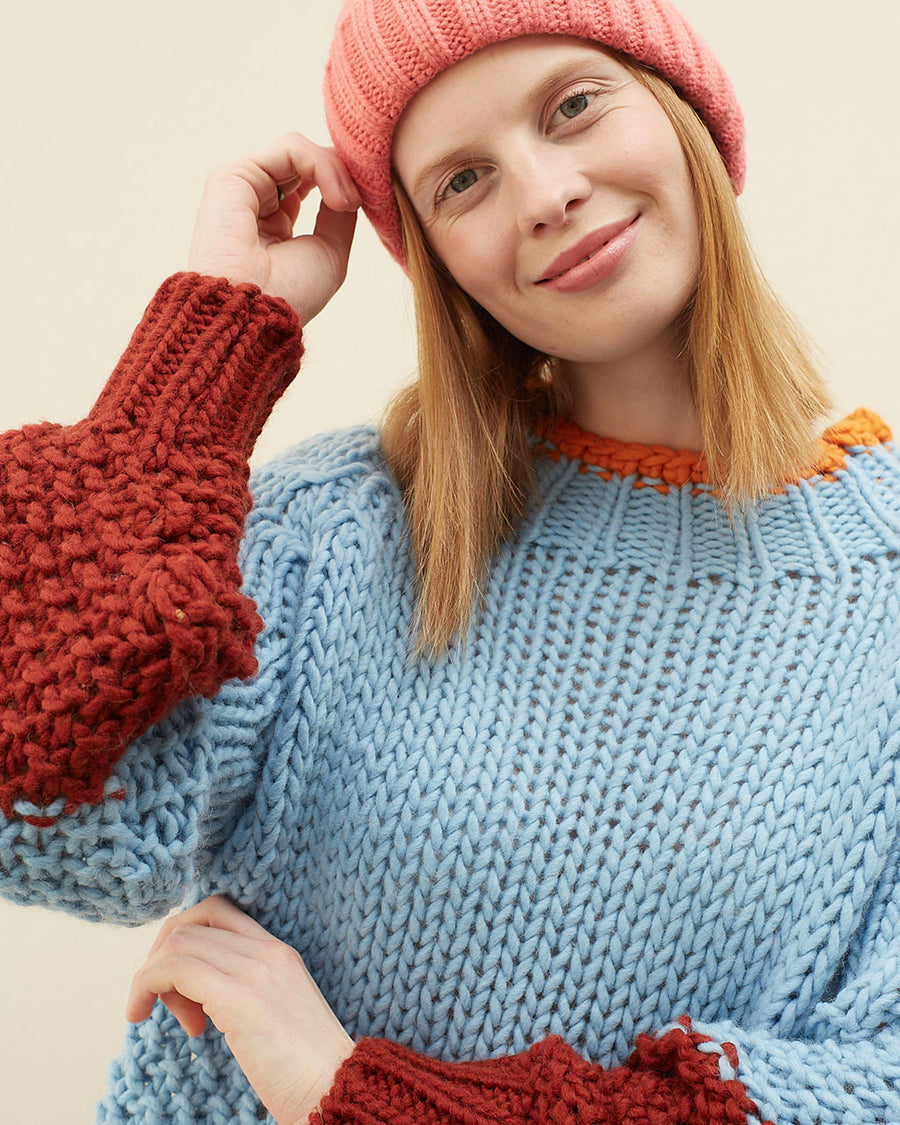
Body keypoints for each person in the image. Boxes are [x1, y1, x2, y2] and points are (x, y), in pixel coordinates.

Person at [1, 0, 898, 1122]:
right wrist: (202, 362)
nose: (543, 194)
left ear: (686, 116)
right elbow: (38, 813)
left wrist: (361, 1096)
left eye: (573, 106)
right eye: (461, 182)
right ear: (434, 257)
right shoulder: (344, 534)